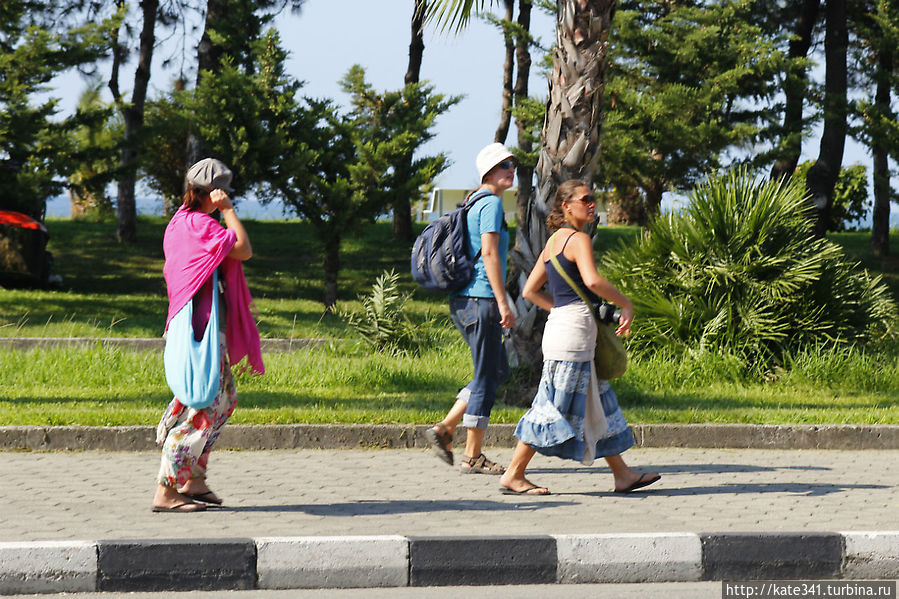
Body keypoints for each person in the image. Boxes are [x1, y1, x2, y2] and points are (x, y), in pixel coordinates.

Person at [498, 180, 660, 495]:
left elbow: (531, 291)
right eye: (585, 199)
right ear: (565, 206)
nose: (591, 204)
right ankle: (513, 473)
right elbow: (592, 280)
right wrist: (625, 303)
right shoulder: (578, 240)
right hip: (572, 337)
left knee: (600, 402)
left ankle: (622, 474)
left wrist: (561, 308)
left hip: (563, 329)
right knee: (551, 404)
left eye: (592, 199)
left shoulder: (553, 243)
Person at [151, 158, 264, 513]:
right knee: (203, 406)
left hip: (198, 327)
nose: (226, 196)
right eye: (223, 191)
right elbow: (243, 248)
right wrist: (228, 211)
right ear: (211, 193)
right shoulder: (201, 225)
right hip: (199, 330)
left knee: (224, 398)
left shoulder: (182, 223)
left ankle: (194, 480)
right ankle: (167, 491)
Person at [425, 143, 516, 474]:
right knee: (486, 376)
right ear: (489, 171)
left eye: (513, 164)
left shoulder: (471, 202)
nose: (511, 169)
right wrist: (503, 301)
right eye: (505, 164)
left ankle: (446, 428)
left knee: (496, 371)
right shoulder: (490, 203)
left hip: (465, 301)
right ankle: (472, 455)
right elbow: (490, 254)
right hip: (481, 301)